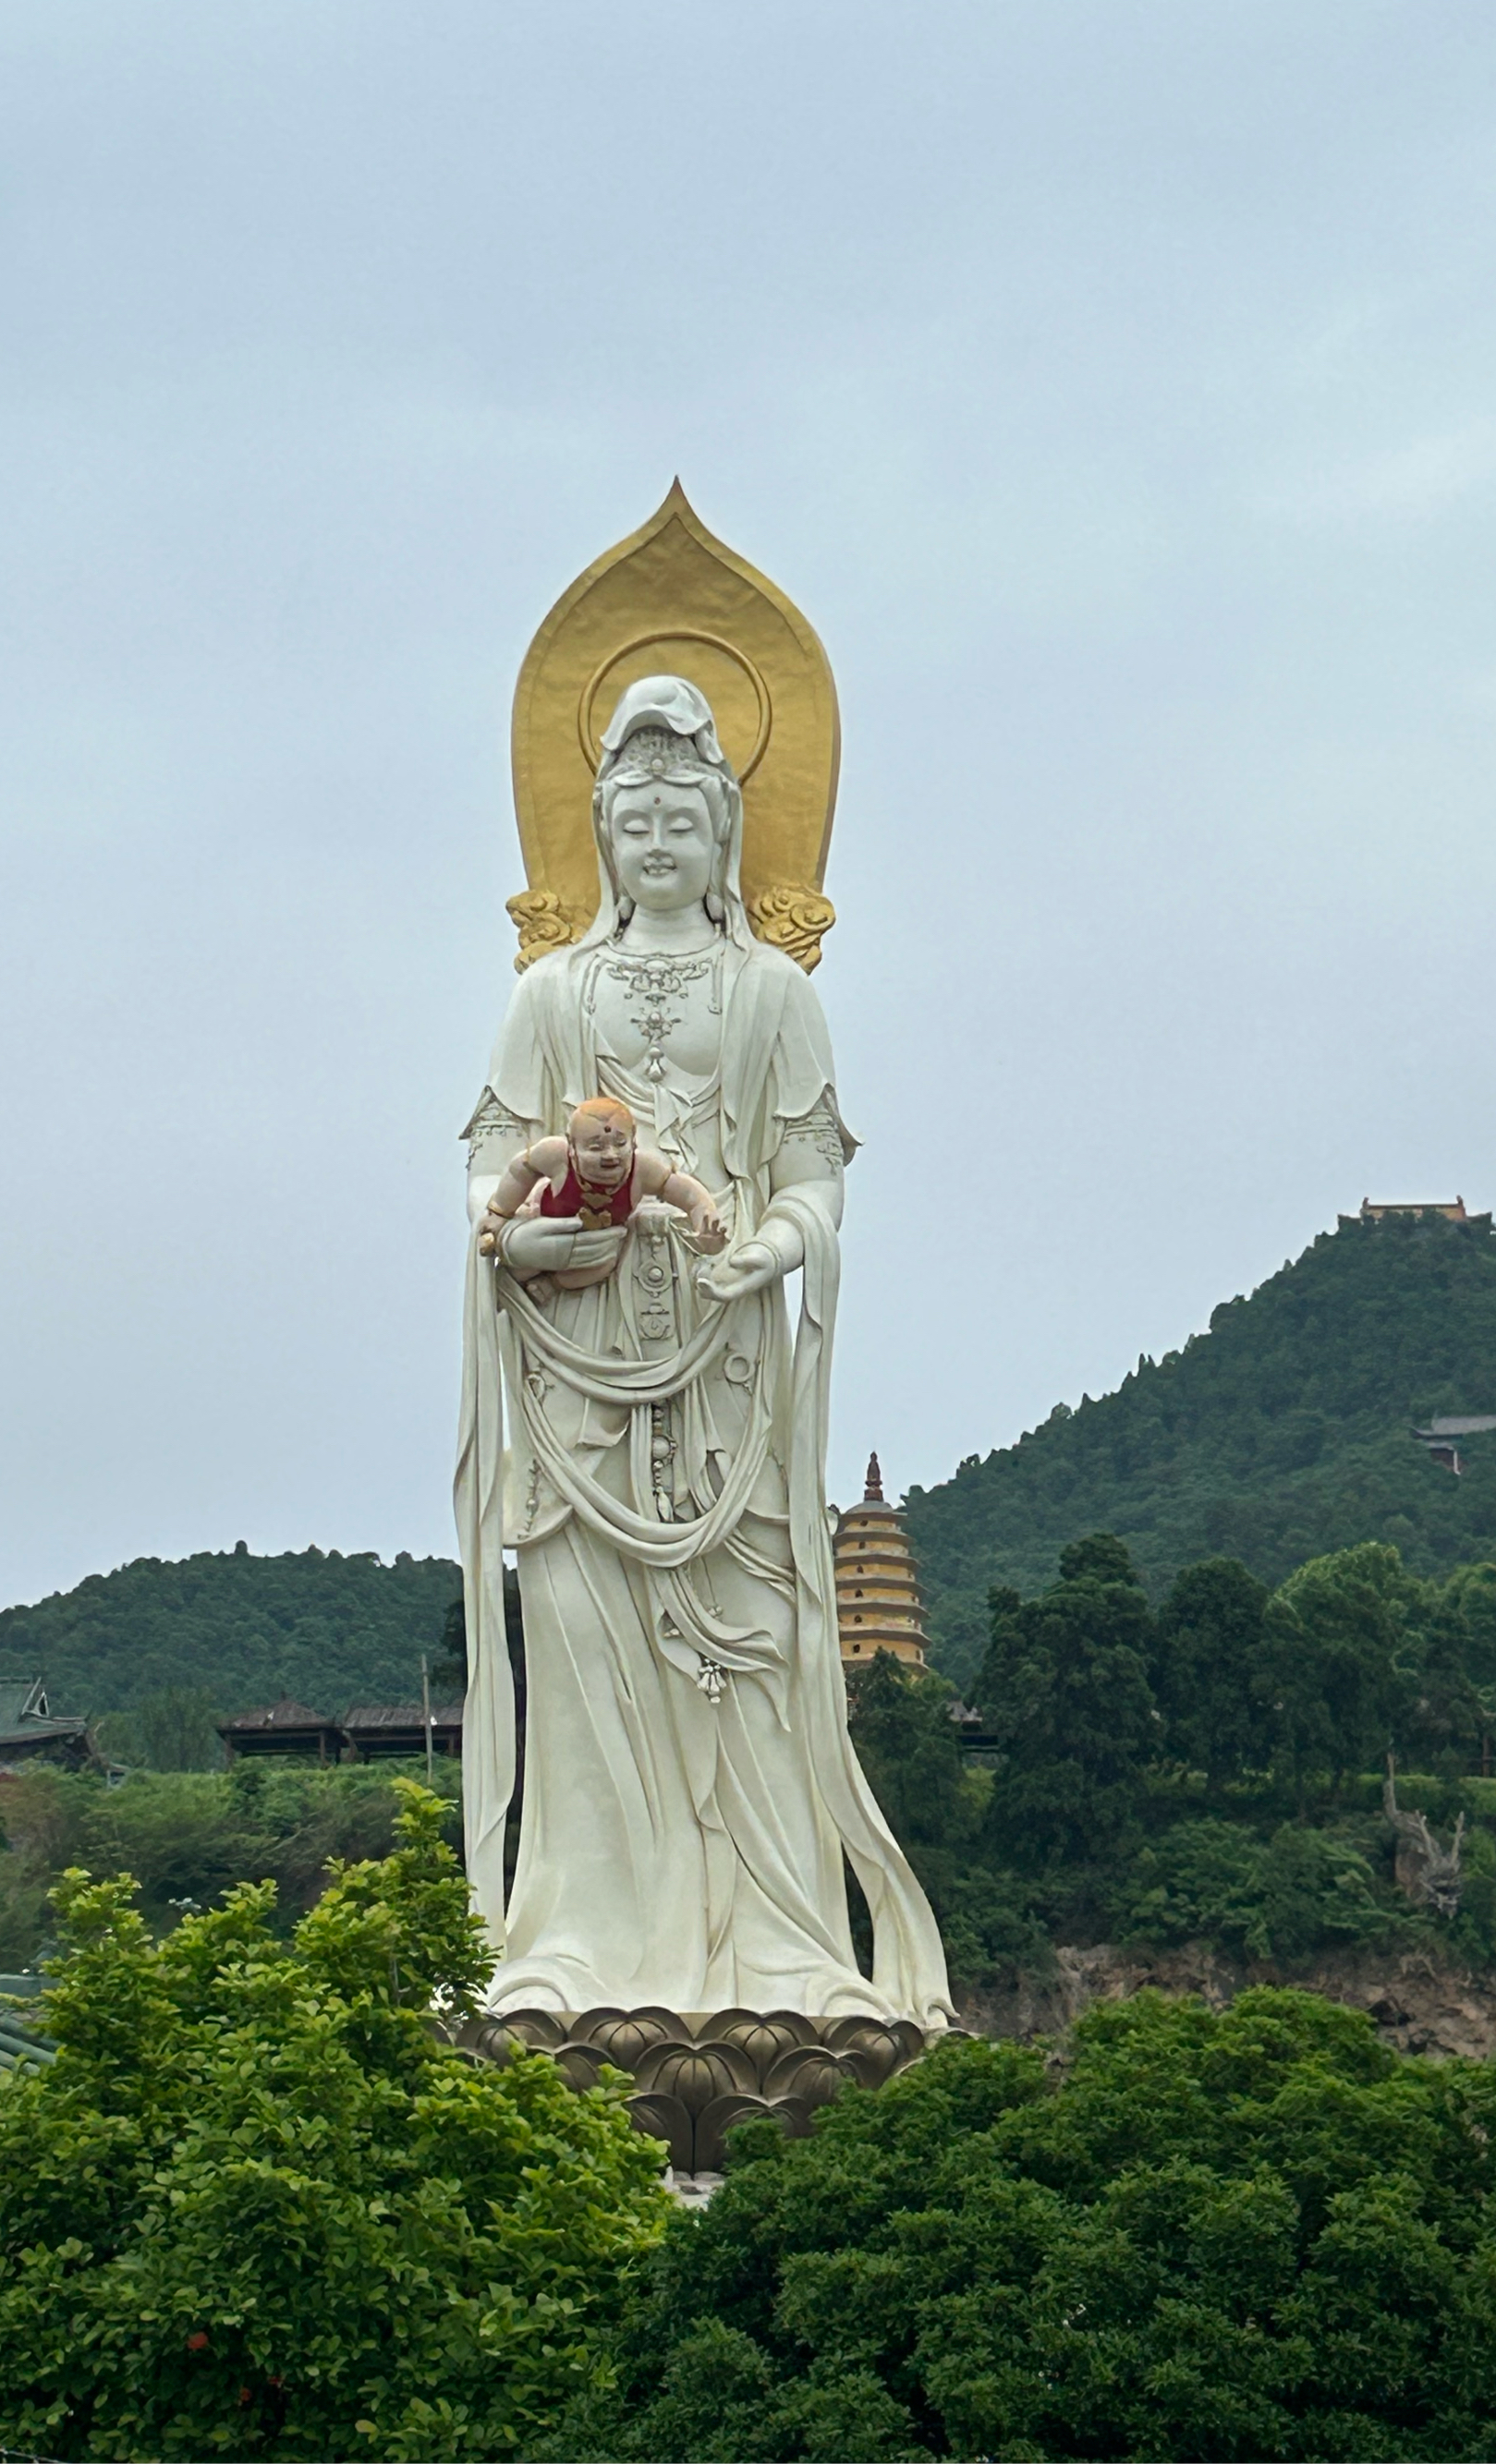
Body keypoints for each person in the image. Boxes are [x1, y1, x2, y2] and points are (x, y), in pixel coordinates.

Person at [456, 674, 951, 2026]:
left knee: (751, 1644)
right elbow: (490, 1163)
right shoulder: (550, 994)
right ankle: (578, 1941)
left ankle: (776, 1950)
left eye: (685, 814)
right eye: (635, 817)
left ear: (729, 831)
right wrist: (515, 1244)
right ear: (598, 833)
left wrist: (781, 1246)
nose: (660, 839)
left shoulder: (775, 992)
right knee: (581, 1646)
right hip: (578, 1366)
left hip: (728, 1368)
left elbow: (811, 1173)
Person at [480, 1093, 726, 1294]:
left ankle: (551, 1285)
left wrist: (705, 1219)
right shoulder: (555, 1155)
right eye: (595, 1147)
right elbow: (520, 1170)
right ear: (572, 1146)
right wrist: (499, 1211)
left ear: (634, 1142)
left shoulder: (643, 1170)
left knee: (603, 1266)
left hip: (599, 1245)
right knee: (520, 1266)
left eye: (620, 1144)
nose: (610, 1155)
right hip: (544, 1225)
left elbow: (686, 1193)